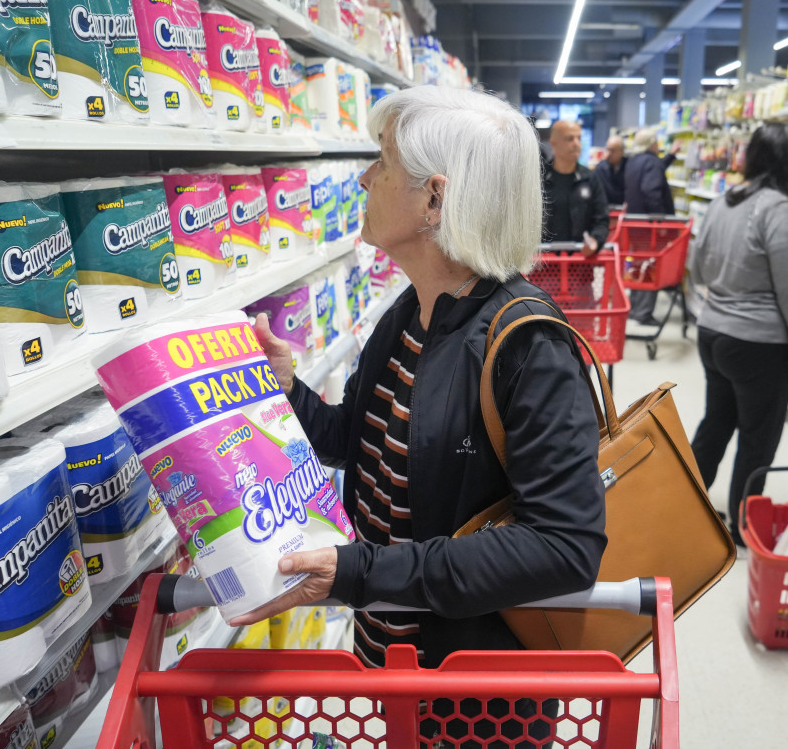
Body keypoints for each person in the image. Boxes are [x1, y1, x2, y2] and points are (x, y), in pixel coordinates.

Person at [240, 86, 607, 743]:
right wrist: (287, 388)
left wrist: (356, 572)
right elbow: (353, 441)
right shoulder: (408, 316)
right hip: (390, 672)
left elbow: (564, 546)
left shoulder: (530, 348)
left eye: (381, 162)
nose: (363, 178)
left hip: (473, 703)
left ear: (435, 199)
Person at [686, 123, 788, 546]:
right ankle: (743, 528)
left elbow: (700, 269)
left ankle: (681, 505)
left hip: (713, 332)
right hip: (759, 344)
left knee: (716, 425)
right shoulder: (779, 208)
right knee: (757, 440)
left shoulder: (722, 201)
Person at [623, 129, 681, 325]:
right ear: (653, 144)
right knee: (652, 266)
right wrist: (661, 222)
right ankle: (644, 313)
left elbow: (654, 171)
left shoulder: (633, 161)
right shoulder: (653, 162)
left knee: (639, 264)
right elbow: (651, 190)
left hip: (635, 224)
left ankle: (634, 307)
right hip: (651, 227)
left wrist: (671, 156)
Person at [541, 119, 609, 256]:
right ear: (554, 143)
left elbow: (601, 220)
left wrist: (595, 240)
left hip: (580, 262)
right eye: (569, 139)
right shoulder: (538, 179)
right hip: (544, 263)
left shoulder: (590, 179)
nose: (577, 144)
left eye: (579, 138)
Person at [593, 135, 627, 206]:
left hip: (624, 211)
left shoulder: (629, 167)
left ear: (622, 151)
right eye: (607, 149)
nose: (609, 154)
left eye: (613, 151)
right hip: (606, 209)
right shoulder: (600, 168)